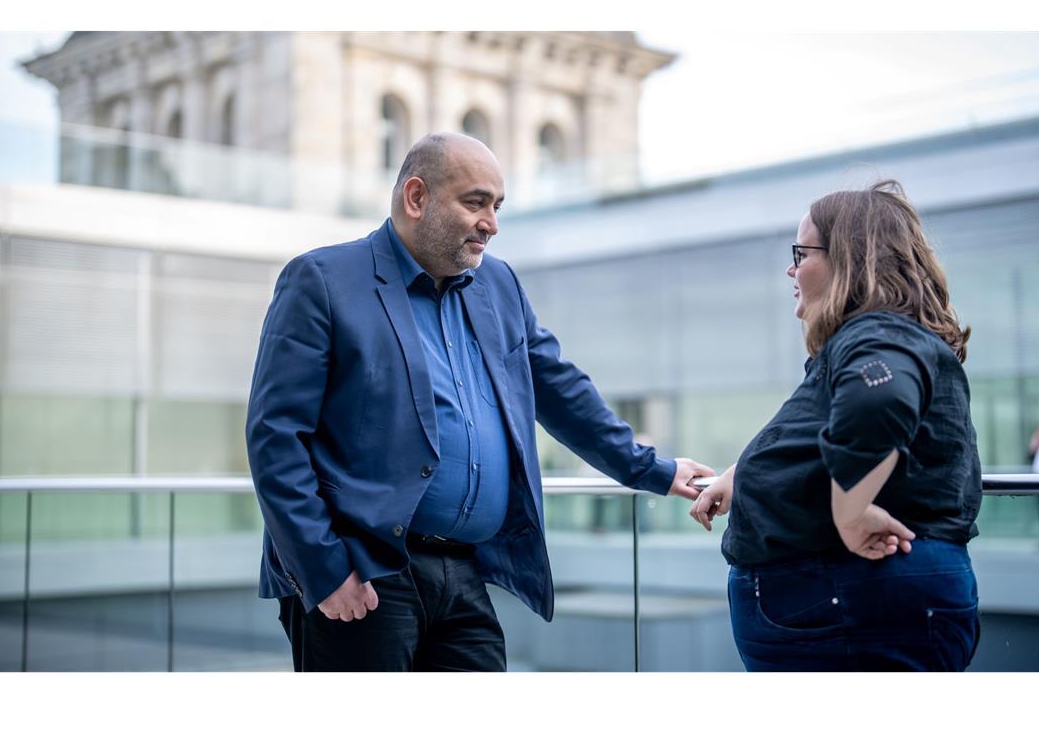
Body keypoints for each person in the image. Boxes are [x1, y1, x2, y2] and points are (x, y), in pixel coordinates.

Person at [246, 132, 712, 671]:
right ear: (416, 198)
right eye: (475, 202)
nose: (491, 222)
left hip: (463, 570)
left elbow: (559, 389)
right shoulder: (322, 280)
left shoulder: (499, 284)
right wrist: (324, 570)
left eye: (497, 205)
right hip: (363, 570)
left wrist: (651, 469)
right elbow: (275, 437)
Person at [689, 179, 982, 671]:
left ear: (852, 258)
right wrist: (745, 473)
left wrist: (851, 511)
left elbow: (879, 398)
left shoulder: (879, 334)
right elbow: (830, 429)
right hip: (845, 604)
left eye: (802, 253)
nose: (791, 268)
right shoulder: (879, 336)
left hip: (845, 603)